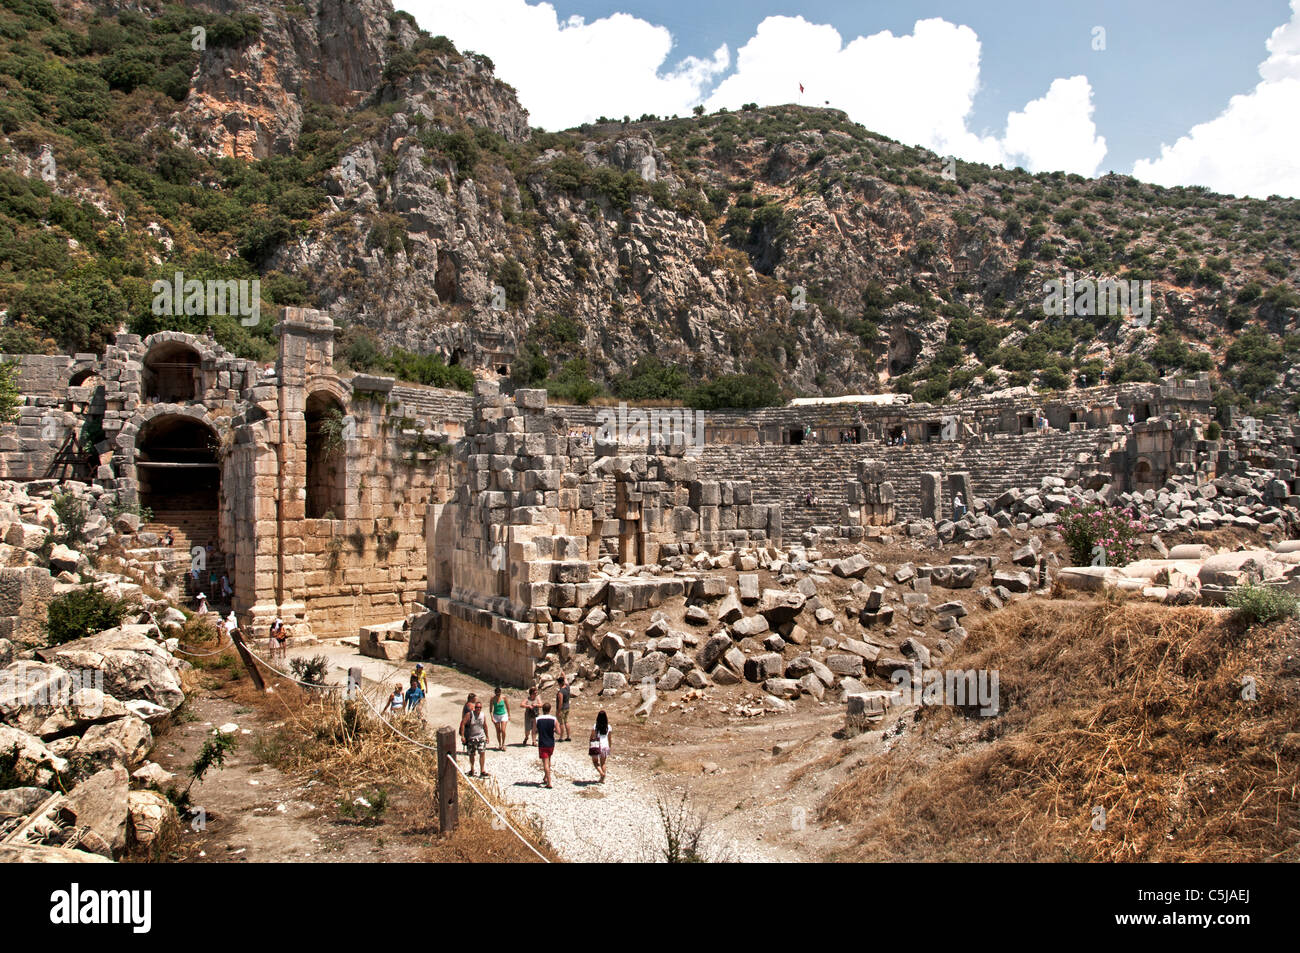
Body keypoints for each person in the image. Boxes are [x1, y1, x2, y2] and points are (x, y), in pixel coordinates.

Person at [460, 701, 489, 777]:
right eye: (477, 707)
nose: (478, 709)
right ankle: (472, 770)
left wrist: (487, 736)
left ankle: (482, 770)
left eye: (479, 707)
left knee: (482, 753)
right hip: (472, 738)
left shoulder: (483, 715)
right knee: (471, 755)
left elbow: (485, 726)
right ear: (474, 708)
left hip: (481, 737)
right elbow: (463, 723)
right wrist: (463, 736)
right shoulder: (469, 715)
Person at [535, 702, 558, 788]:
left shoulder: (538, 719)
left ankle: (549, 782)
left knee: (545, 763)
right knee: (549, 759)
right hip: (551, 743)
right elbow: (559, 732)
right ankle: (545, 777)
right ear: (550, 709)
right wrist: (553, 729)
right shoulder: (554, 719)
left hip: (542, 743)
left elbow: (534, 731)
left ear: (542, 709)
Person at [588, 710, 612, 783]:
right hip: (605, 746)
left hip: (597, 745)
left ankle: (601, 773)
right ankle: (602, 779)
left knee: (595, 762)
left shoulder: (595, 726)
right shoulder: (608, 727)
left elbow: (592, 736)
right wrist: (609, 746)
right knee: (603, 763)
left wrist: (590, 743)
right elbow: (609, 738)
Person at [555, 675, 572, 742]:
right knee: (566, 722)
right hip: (567, 707)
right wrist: (562, 674)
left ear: (559, 683)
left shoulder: (561, 692)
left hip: (562, 709)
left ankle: (561, 737)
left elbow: (560, 702)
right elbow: (565, 678)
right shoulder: (567, 687)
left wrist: (558, 711)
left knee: (561, 723)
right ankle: (568, 736)